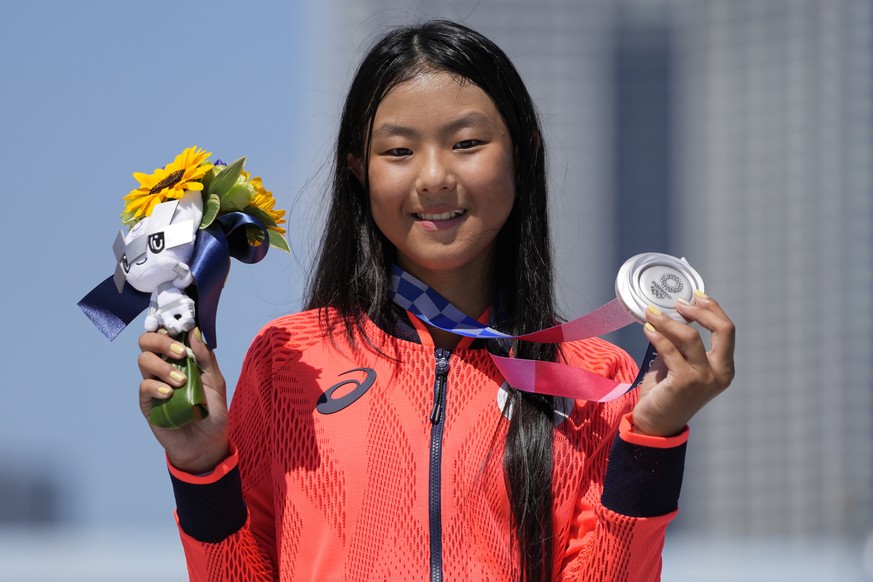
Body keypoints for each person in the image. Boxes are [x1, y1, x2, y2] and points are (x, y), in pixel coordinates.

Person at [136, 19, 735, 582]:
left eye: (467, 143)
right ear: (358, 170)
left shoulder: (595, 379)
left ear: (522, 154)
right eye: (398, 151)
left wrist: (653, 435)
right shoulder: (290, 360)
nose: (433, 177)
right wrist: (200, 465)